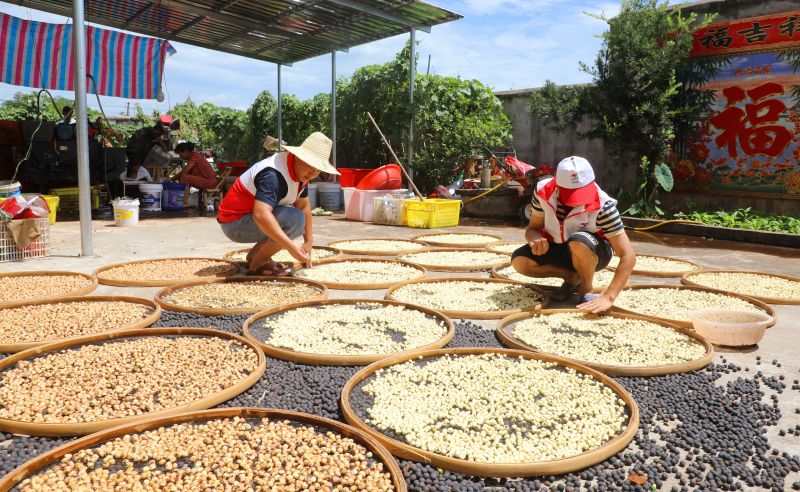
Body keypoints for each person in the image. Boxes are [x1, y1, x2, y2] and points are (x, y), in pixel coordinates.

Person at [511, 156, 636, 313]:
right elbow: (532, 229)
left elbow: (628, 255)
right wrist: (535, 239)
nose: (578, 201)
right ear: (557, 187)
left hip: (594, 251)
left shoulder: (604, 206)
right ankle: (571, 277)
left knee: (579, 241)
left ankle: (586, 288)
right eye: (571, 195)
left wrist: (609, 296)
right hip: (561, 246)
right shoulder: (543, 192)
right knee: (519, 261)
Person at [218, 132, 338, 275]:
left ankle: (255, 257)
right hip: (234, 224)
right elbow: (260, 214)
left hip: (248, 219)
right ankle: (258, 264)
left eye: (318, 169)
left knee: (297, 216)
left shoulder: (300, 174)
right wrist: (292, 247)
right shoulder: (273, 174)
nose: (313, 173)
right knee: (294, 220)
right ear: (298, 157)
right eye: (310, 166)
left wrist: (308, 241)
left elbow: (304, 206)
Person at [172, 141, 218, 207]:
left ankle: (185, 203)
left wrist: (174, 178)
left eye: (180, 154)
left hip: (210, 182)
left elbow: (185, 171)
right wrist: (176, 178)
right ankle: (182, 200)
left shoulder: (195, 157)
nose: (180, 156)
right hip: (207, 181)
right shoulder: (193, 156)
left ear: (186, 151)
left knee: (184, 177)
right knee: (183, 177)